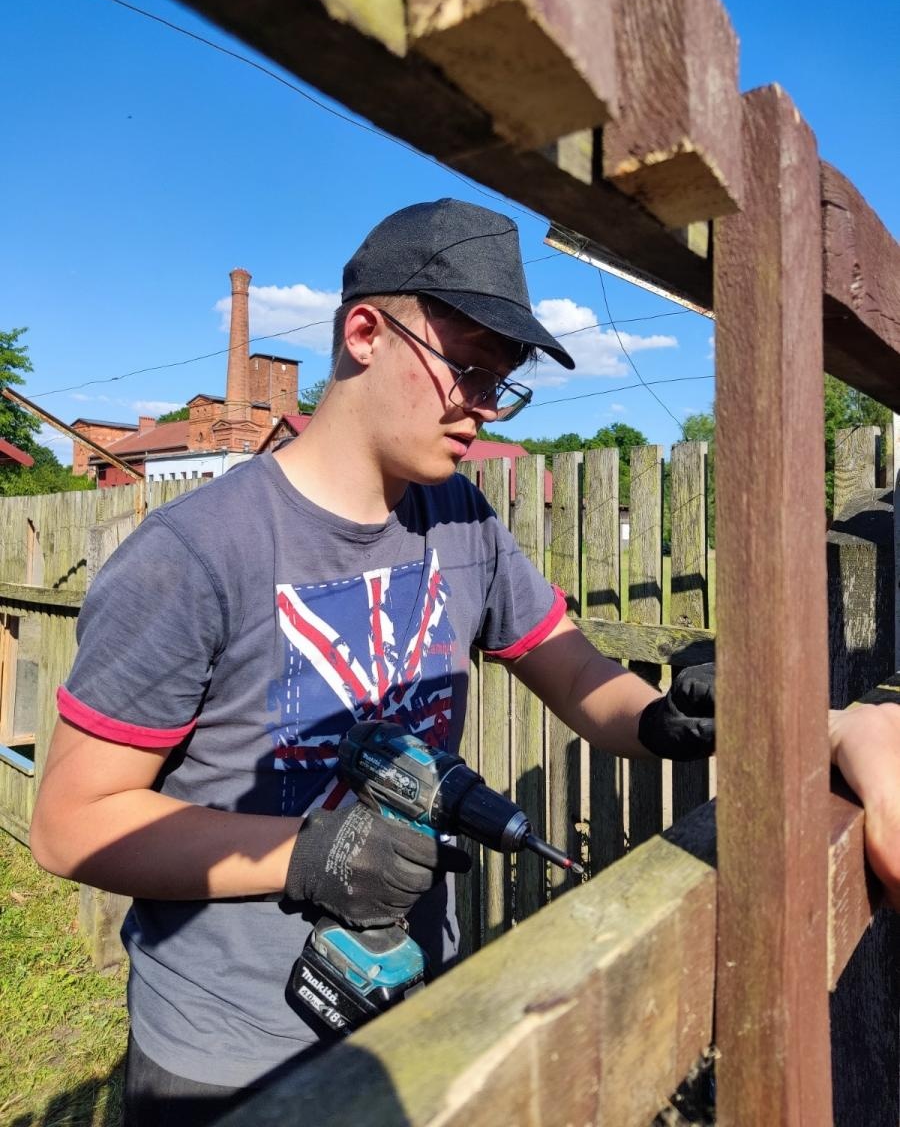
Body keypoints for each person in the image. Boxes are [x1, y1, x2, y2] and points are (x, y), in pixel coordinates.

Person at [29, 199, 898, 1124]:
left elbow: (569, 674)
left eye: (503, 385)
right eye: (470, 370)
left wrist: (661, 717)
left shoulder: (462, 524)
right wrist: (309, 855)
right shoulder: (195, 554)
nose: (483, 409)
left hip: (409, 1021)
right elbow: (73, 826)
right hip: (226, 1053)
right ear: (365, 332)